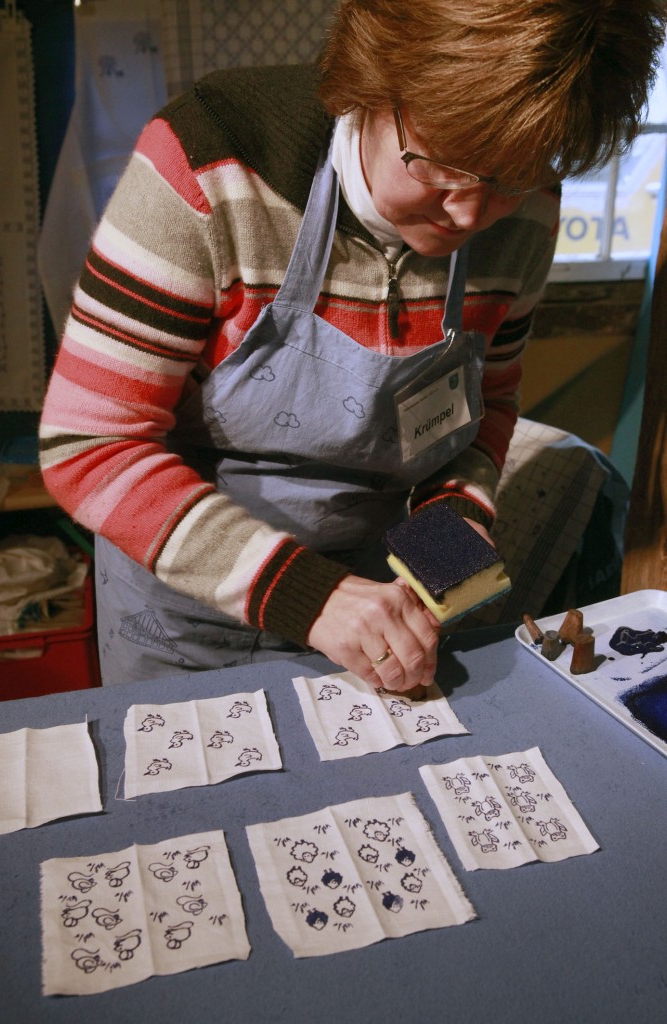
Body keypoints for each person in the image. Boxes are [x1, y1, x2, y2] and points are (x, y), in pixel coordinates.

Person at [39, 0, 666, 692]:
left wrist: (449, 532)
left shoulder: (527, 207)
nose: (468, 213)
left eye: (507, 179)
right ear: (370, 85)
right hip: (181, 608)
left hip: (370, 601)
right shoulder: (211, 162)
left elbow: (484, 402)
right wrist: (311, 598)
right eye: (440, 165)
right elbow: (90, 445)